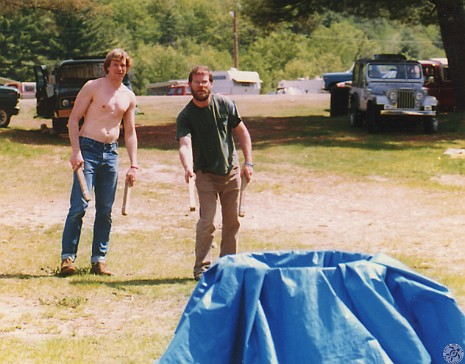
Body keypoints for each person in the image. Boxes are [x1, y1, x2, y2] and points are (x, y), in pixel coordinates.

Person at [60, 48, 138, 276]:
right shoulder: (93, 86)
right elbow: (73, 119)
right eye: (115, 64)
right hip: (88, 149)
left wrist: (134, 164)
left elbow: (130, 132)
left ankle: (98, 260)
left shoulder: (128, 96)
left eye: (123, 65)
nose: (119, 68)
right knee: (79, 206)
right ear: (107, 66)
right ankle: (67, 259)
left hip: (111, 153)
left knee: (105, 210)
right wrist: (76, 152)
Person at [176, 65, 253, 281]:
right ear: (190, 84)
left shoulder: (226, 104)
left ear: (211, 84)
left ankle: (228, 265)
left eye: (204, 81)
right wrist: (187, 167)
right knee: (207, 222)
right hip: (205, 174)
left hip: (231, 172)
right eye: (196, 81)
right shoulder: (186, 116)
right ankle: (202, 268)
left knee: (231, 222)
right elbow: (184, 144)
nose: (201, 85)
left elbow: (243, 133)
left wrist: (249, 163)